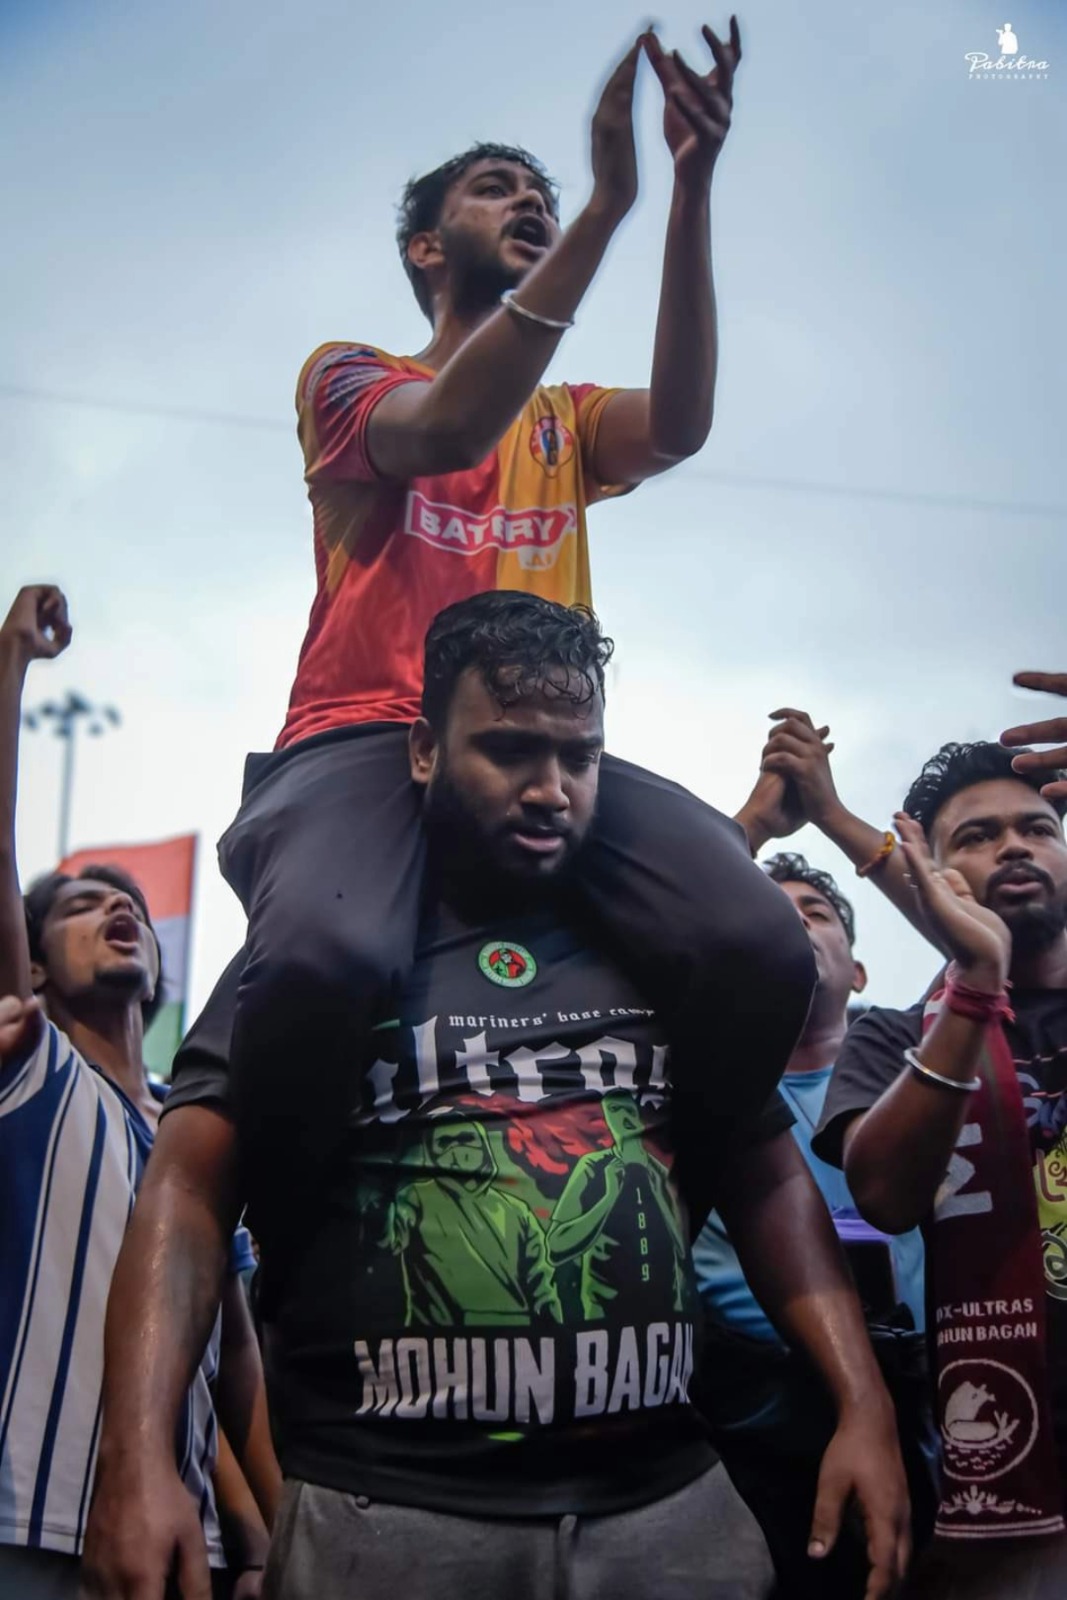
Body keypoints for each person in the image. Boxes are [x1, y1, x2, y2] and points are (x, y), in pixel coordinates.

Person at [84, 594, 910, 1600]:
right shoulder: (325, 955)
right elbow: (186, 1194)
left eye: (578, 756)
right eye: (511, 750)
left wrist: (859, 1403)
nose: (550, 789)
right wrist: (136, 1460)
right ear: (425, 749)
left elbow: (765, 1169)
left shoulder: (661, 952)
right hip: (385, 1518)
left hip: (664, 1511)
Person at [178, 20, 815, 1260]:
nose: (527, 199)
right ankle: (297, 1228)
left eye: (544, 191)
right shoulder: (350, 374)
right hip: (361, 739)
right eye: (495, 189)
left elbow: (680, 423)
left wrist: (683, 193)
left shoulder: (569, 423)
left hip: (543, 754)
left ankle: (672, 1186)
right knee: (321, 956)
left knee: (752, 941)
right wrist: (599, 215)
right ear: (425, 246)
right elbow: (452, 426)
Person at [0, 587, 279, 1598]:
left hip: (184, 1552)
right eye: (79, 902)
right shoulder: (30, 1062)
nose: (116, 905)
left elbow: (230, 1363)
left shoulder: (189, 1131)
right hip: (28, 1522)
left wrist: (276, 1544)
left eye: (127, 902)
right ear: (30, 961)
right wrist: (10, 665)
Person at [811, 734, 1067, 1597]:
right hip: (1002, 1482)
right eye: (976, 836)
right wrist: (974, 984)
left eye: (1037, 828)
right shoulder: (893, 1034)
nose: (1013, 847)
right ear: (933, 873)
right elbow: (884, 1194)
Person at [693, 848, 932, 1598]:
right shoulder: (689, 1086)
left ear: (858, 972)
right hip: (743, 1424)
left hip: (927, 1402)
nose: (792, 923)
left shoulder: (926, 1076)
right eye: (770, 912)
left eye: (815, 912)